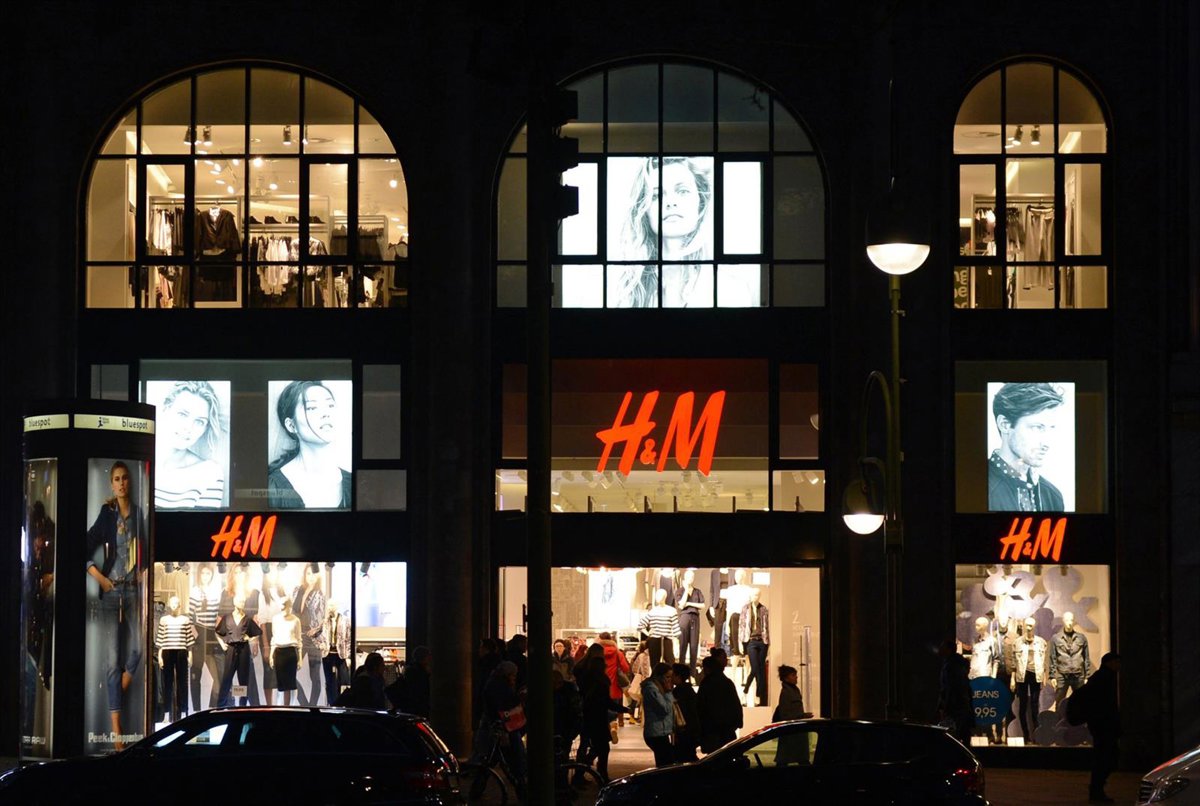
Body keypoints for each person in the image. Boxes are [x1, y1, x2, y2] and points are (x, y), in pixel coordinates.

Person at [85, 461, 146, 750]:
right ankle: (117, 731)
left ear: (130, 483)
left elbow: (145, 551)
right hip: (111, 591)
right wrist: (100, 577)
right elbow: (85, 545)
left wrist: (144, 572)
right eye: (117, 479)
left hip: (133, 590)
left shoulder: (139, 514)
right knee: (112, 660)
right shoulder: (107, 514)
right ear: (112, 484)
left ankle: (118, 689)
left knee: (138, 648)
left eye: (125, 478)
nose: (121, 483)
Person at [611, 156, 714, 308]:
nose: (670, 203)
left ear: (701, 202)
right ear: (644, 210)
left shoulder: (730, 287)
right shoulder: (618, 289)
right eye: (657, 195)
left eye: (683, 191)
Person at [268, 381, 350, 509]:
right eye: (312, 408)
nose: (326, 413)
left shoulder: (354, 483)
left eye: (330, 405)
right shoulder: (273, 487)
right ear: (291, 425)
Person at [988, 382, 1067, 512]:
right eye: (1037, 428)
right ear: (1005, 424)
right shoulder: (978, 489)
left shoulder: (1053, 497)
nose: (1047, 442)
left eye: (1051, 428)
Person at [155, 380, 225, 509]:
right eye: (182, 414)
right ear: (166, 409)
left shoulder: (208, 473)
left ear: (205, 428)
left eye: (199, 421)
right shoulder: (140, 460)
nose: (188, 427)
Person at [1085, 653, 1122, 803]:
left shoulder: (1101, 678)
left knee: (1104, 757)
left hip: (1101, 725)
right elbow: (1106, 705)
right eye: (1117, 662)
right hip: (1103, 725)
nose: (1119, 665)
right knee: (1105, 758)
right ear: (1110, 663)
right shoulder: (1105, 679)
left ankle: (1096, 789)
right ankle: (1096, 790)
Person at [483, 661, 526, 788]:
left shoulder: (495, 684)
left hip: (503, 726)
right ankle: (521, 786)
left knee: (495, 758)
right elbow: (504, 705)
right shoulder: (500, 687)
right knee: (516, 757)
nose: (514, 677)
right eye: (513, 675)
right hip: (506, 726)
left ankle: (479, 786)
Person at [189, 562, 224, 710]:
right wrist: (196, 637)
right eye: (203, 573)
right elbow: (190, 618)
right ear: (199, 574)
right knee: (196, 674)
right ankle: (196, 710)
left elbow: (218, 616)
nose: (205, 576)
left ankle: (212, 708)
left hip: (211, 633)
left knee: (218, 677)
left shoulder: (215, 592)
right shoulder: (195, 591)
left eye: (208, 573)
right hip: (200, 631)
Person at [575, 645, 613, 779]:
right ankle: (590, 768)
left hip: (585, 710)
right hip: (596, 713)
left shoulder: (581, 667)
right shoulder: (598, 677)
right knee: (601, 745)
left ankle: (580, 773)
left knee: (585, 743)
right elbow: (604, 698)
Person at [292, 563, 327, 705]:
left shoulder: (320, 594)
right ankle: (304, 704)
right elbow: (292, 611)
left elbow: (322, 617)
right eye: (308, 574)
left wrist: (316, 630)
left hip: (313, 637)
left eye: (313, 574)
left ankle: (312, 707)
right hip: (299, 635)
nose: (310, 577)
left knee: (315, 677)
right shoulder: (297, 590)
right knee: (291, 672)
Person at [697, 651, 742, 753]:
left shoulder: (707, 683)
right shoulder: (726, 682)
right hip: (726, 729)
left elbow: (700, 706)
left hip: (711, 730)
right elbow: (735, 705)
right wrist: (736, 723)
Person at [937, 639, 974, 744]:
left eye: (943, 647)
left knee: (957, 731)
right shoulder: (956, 663)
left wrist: (945, 705)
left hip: (956, 704)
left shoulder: (951, 665)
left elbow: (950, 687)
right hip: (960, 703)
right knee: (963, 731)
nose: (940, 650)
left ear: (948, 650)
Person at [642, 663, 676, 767]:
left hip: (662, 731)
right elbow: (664, 709)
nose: (669, 680)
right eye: (667, 677)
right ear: (659, 676)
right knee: (665, 764)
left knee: (666, 762)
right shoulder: (651, 689)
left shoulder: (659, 688)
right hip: (656, 732)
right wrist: (668, 692)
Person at [268, 596, 301, 705]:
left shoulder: (296, 620)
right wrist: (271, 655)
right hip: (279, 651)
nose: (284, 609)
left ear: (290, 606)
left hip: (291, 651)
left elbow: (299, 640)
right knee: (280, 682)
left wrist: (300, 658)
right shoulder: (276, 619)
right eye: (282, 607)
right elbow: (274, 637)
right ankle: (280, 706)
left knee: (291, 682)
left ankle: (291, 706)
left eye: (286, 606)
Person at [598, 632, 632, 730]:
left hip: (599, 686)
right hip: (614, 686)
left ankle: (605, 728)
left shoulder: (597, 652)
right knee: (613, 706)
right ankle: (612, 725)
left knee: (601, 709)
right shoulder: (617, 652)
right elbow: (626, 668)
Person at [670, 663, 701, 762]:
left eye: (672, 674)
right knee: (689, 754)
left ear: (678, 676)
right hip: (691, 729)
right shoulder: (688, 689)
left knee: (684, 755)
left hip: (685, 730)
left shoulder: (679, 691)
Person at [626, 641, 652, 724]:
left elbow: (634, 669)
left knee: (639, 700)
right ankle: (642, 718)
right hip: (650, 682)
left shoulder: (640, 656)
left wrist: (638, 675)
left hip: (642, 681)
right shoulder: (655, 655)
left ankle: (637, 716)